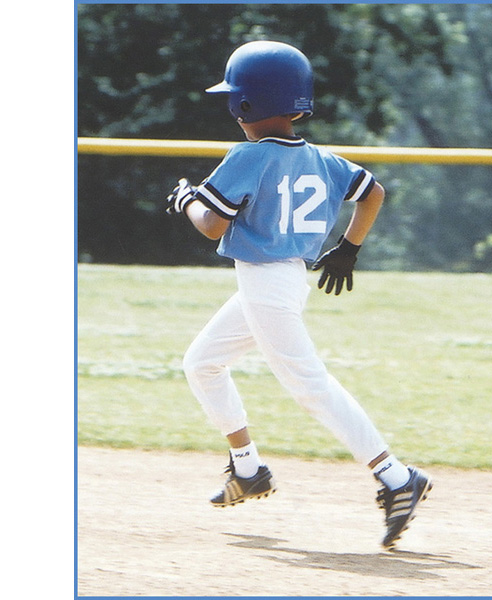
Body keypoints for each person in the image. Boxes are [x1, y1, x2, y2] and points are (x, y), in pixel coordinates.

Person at [165, 40, 431, 550]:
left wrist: (186, 199)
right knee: (202, 362)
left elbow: (211, 223)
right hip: (281, 281)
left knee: (310, 386)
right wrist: (347, 248)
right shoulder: (321, 158)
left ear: (242, 106)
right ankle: (248, 468)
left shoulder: (247, 154)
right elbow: (373, 192)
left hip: (266, 282)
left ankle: (397, 477)